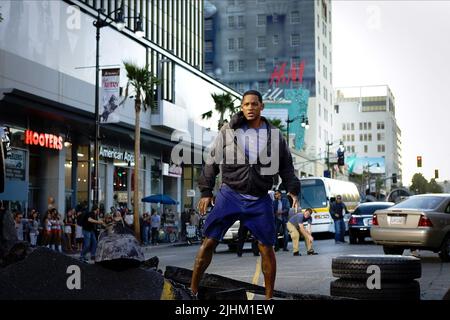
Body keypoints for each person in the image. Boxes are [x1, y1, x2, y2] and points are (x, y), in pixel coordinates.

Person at [191, 90, 300, 300]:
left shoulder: (275, 136)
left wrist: (293, 189)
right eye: (246, 105)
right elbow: (212, 161)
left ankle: (268, 299)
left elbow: (286, 167)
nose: (250, 108)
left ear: (262, 106)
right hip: (229, 194)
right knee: (209, 242)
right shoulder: (229, 131)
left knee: (267, 248)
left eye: (254, 104)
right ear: (242, 107)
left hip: (259, 198)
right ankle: (192, 290)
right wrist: (206, 191)